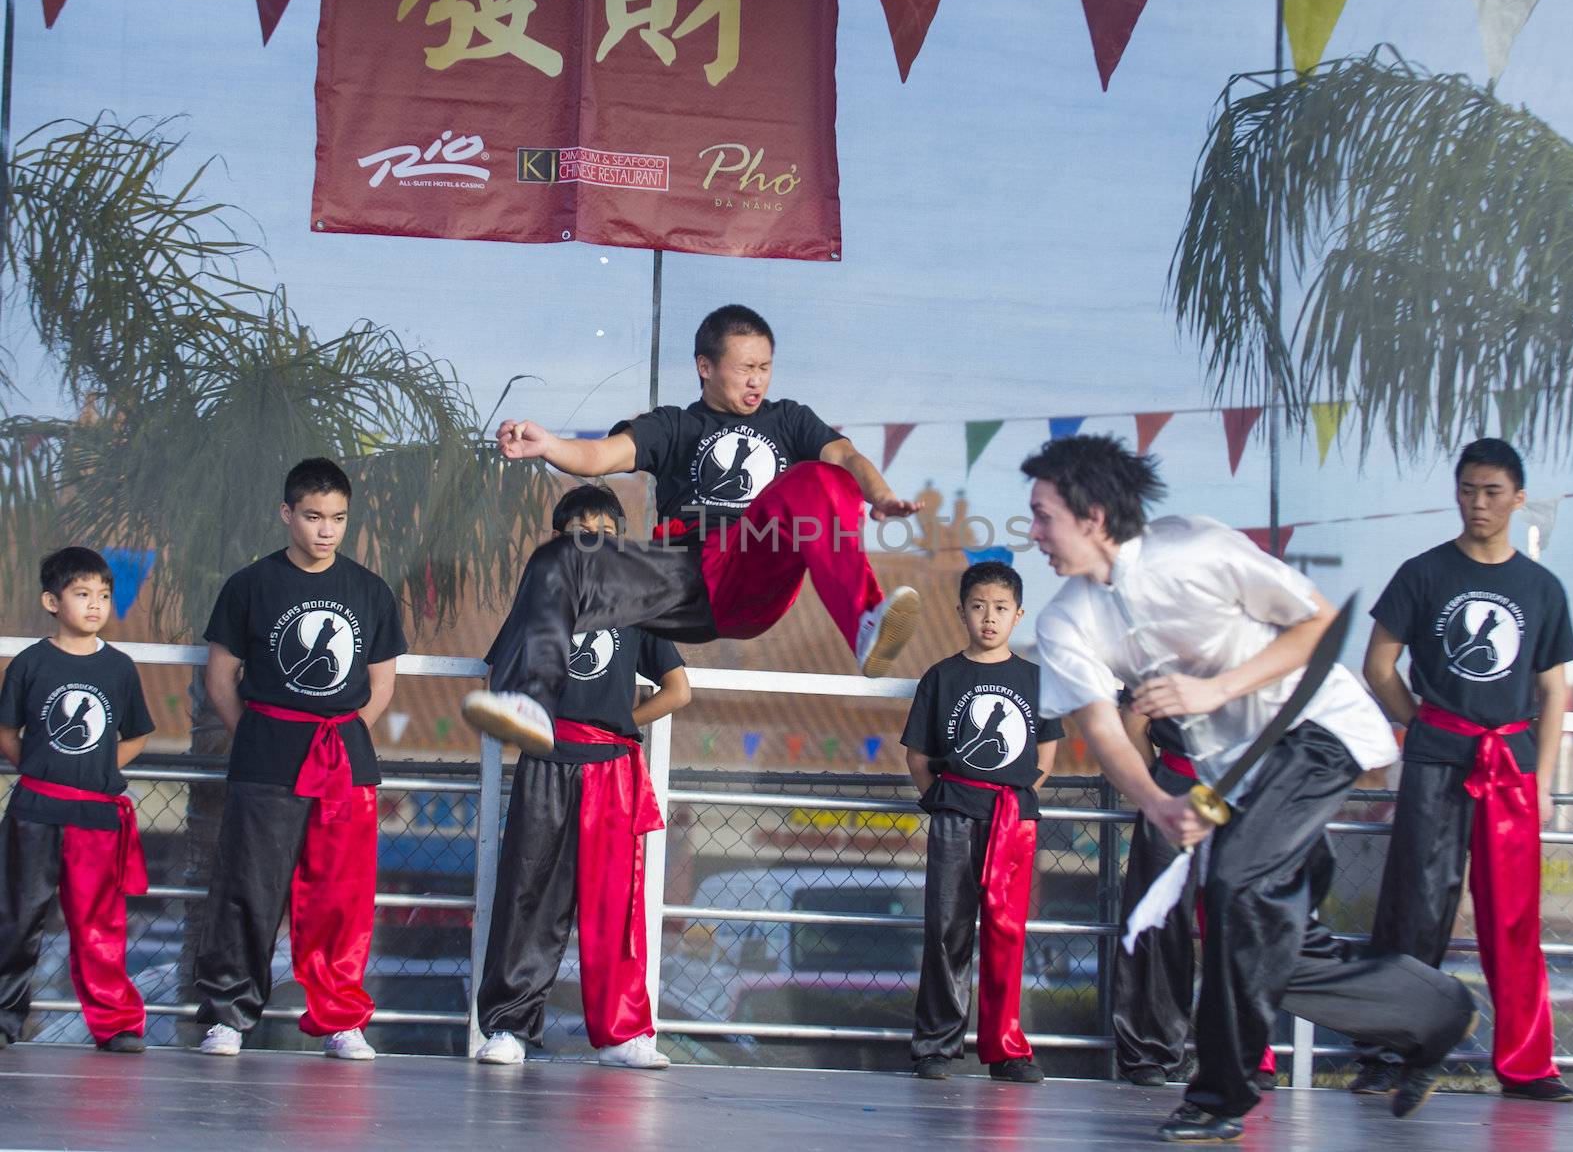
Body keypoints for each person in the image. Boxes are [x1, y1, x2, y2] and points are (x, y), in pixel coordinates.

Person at [1023, 434, 1477, 1143]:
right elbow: (1104, 730)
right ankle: (1435, 1015)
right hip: (1233, 779)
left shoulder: (1197, 549)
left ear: (1094, 514)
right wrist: (1157, 802)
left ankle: (1218, 1098)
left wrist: (1214, 690)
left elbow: (1319, 625)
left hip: (1313, 730)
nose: (1033, 534)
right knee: (1268, 943)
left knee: (1235, 887)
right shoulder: (1065, 619)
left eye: (1044, 515)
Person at [462, 304, 922, 752]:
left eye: (765, 367)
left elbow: (847, 457)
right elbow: (601, 456)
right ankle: (532, 701)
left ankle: (865, 621)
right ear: (705, 366)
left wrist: (880, 495)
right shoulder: (674, 426)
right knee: (559, 556)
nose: (756, 379)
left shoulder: (790, 419)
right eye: (745, 367)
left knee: (819, 478)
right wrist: (550, 445)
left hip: (752, 571)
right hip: (679, 579)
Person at [1352, 439, 1573, 1103]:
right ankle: (1388, 1053)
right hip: (1436, 758)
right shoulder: (1424, 573)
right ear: (1456, 492)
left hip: (1510, 765)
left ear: (1518, 498)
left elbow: (1555, 689)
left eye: (1493, 492)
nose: (1479, 504)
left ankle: (1527, 1064)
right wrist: (1420, 721)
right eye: (1469, 490)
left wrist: (1542, 774)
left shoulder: (1541, 588)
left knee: (1513, 918)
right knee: (1414, 911)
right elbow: (1378, 666)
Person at [192, 458, 407, 1060]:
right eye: (313, 516)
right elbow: (219, 679)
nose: (326, 530)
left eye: (337, 518)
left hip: (346, 763)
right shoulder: (250, 585)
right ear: (287, 514)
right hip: (266, 758)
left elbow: (382, 685)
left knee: (341, 895)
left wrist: (340, 738)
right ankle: (229, 1017)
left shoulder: (369, 590)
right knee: (248, 888)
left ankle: (341, 1018)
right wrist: (259, 733)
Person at [474, 485, 690, 1071]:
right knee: (528, 894)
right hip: (547, 760)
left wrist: (620, 724)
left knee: (615, 907)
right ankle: (509, 1028)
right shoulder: (538, 599)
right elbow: (499, 679)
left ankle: (623, 1034)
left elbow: (678, 690)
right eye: (579, 530)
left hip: (612, 771)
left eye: (605, 530)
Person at [902, 561, 1058, 1084]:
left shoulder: (1036, 679)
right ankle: (937, 1047)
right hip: (955, 813)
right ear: (961, 612)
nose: (988, 618)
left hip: (1013, 818)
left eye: (999, 609)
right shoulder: (943, 677)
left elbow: (1048, 747)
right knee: (946, 930)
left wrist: (1021, 796)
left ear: (1017, 616)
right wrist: (944, 800)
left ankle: (1007, 1049)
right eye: (977, 607)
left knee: (1006, 933)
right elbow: (919, 755)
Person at [0, 548, 154, 1051]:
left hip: (95, 816)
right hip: (35, 811)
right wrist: (42, 769)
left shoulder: (119, 668)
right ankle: (4, 1019)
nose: (94, 605)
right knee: (18, 918)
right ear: (52, 600)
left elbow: (136, 735)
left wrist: (101, 771)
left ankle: (114, 1024)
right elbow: (7, 730)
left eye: (103, 596)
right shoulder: (30, 663)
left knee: (99, 924)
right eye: (82, 594)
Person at [1112, 706, 1276, 1091]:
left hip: (1245, 793)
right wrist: (1159, 783)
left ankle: (1244, 1051)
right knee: (1159, 920)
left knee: (1241, 920)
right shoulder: (1158, 647)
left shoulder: (1258, 647)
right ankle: (1151, 1050)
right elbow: (1133, 724)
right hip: (1176, 787)